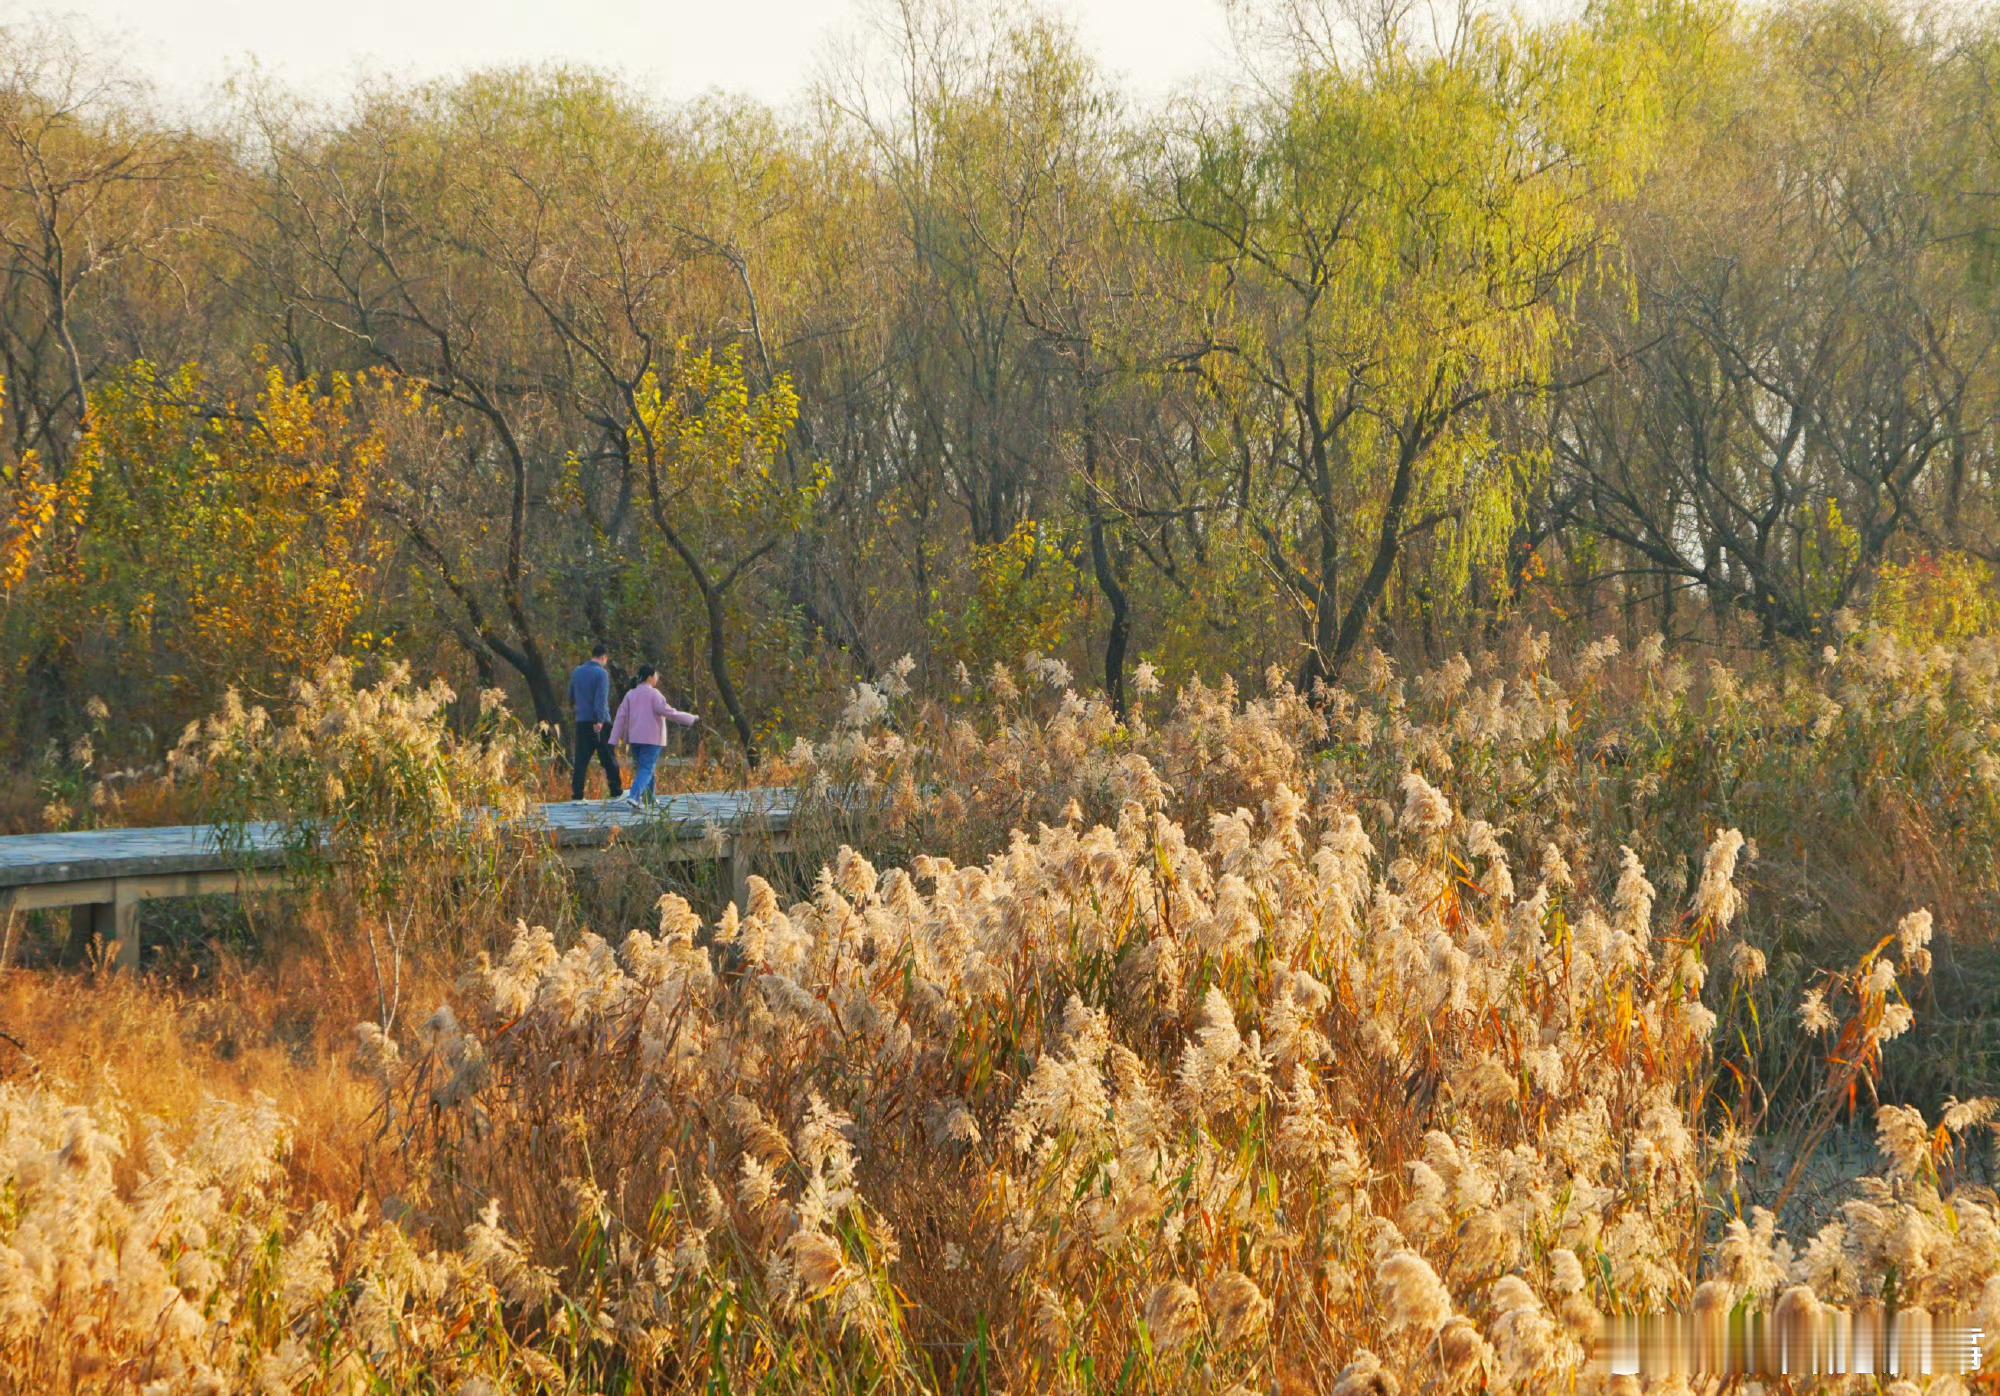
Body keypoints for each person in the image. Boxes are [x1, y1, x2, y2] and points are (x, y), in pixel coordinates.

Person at [609, 665, 698, 808]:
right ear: (650, 677)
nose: (657, 678)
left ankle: (649, 798)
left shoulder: (630, 694)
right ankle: (634, 797)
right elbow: (670, 712)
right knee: (647, 768)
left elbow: (620, 717)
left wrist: (613, 739)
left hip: (635, 738)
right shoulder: (654, 694)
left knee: (645, 768)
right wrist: (690, 718)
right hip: (652, 739)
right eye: (656, 675)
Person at [568, 643, 621, 800]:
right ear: (604, 657)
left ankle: (577, 795)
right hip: (599, 722)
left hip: (581, 721)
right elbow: (601, 699)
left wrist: (578, 710)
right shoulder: (601, 674)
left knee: (581, 760)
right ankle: (616, 791)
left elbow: (571, 696)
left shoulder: (577, 671)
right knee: (608, 757)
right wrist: (599, 720)